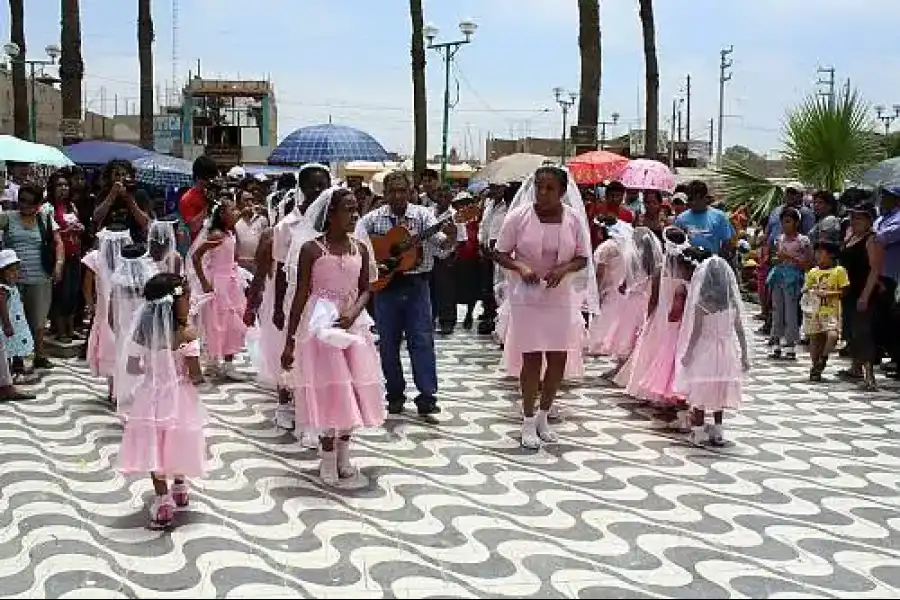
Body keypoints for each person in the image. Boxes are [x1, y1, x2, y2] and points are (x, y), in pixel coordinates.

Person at [281, 187, 384, 484]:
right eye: (347, 210)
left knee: (352, 387)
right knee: (330, 388)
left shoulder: (360, 249)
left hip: (351, 324)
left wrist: (353, 311)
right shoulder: (312, 249)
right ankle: (327, 455)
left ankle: (344, 453)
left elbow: (366, 287)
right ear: (330, 214)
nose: (354, 216)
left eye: (356, 210)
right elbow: (301, 293)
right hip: (320, 326)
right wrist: (290, 339)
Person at [493, 166, 598, 449]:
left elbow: (582, 257)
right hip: (526, 296)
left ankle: (543, 415)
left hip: (559, 295)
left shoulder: (574, 219)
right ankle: (527, 419)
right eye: (539, 187)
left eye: (550, 188)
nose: (543, 193)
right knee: (531, 358)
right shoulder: (519, 217)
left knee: (557, 358)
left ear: (563, 192)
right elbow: (500, 252)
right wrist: (521, 266)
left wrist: (564, 269)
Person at [354, 170, 457, 422]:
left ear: (410, 192)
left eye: (403, 190)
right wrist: (378, 265)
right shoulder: (371, 220)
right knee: (388, 344)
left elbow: (441, 250)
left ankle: (427, 398)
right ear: (385, 193)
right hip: (386, 288)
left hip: (417, 285)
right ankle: (395, 395)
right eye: (393, 191)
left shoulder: (423, 216)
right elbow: (358, 251)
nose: (398, 196)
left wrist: (450, 240)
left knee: (421, 341)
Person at [117, 273, 206, 529]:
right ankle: (180, 486)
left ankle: (163, 500)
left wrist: (154, 369)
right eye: (187, 297)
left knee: (153, 444)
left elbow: (132, 366)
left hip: (151, 396)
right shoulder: (188, 334)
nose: (190, 302)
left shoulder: (143, 332)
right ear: (175, 302)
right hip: (180, 396)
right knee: (178, 438)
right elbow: (196, 374)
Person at [674, 255, 750, 447]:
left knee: (701, 389)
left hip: (706, 352)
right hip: (726, 352)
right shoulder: (731, 304)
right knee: (719, 390)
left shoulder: (702, 305)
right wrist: (744, 354)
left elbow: (696, 333)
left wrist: (689, 354)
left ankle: (699, 431)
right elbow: (740, 330)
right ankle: (717, 430)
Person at [615, 227, 690, 406]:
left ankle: (651, 386)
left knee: (653, 352)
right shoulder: (688, 268)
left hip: (660, 317)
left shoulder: (660, 269)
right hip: (679, 319)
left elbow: (654, 298)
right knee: (673, 355)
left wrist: (649, 318)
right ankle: (672, 389)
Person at [0, 183, 64, 371]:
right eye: (21, 200)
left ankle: (40, 355)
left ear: (38, 204)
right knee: (14, 319)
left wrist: (59, 265)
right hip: (13, 280)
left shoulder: (45, 219)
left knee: (38, 320)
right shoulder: (8, 218)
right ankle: (16, 357)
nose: (23, 205)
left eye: (29, 202)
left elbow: (58, 243)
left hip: (40, 277)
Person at [187, 200, 247, 380]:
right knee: (218, 323)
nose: (237, 212)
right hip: (219, 284)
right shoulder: (216, 235)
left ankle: (228, 362)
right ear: (222, 214)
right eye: (233, 210)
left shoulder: (229, 233)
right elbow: (196, 256)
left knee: (233, 324)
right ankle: (215, 361)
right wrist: (204, 281)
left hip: (231, 282)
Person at [82, 224, 132, 402]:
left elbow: (86, 287)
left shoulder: (97, 258)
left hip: (106, 310)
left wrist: (90, 305)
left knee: (112, 349)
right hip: (119, 310)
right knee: (119, 349)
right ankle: (117, 389)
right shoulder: (129, 259)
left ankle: (115, 389)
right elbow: (87, 286)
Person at [839, 202, 885, 391]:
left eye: (859, 217)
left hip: (864, 290)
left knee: (863, 331)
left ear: (869, 220)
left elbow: (875, 269)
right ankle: (856, 367)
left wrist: (865, 296)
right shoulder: (851, 236)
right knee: (852, 330)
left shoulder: (871, 239)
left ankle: (870, 375)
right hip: (849, 290)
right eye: (853, 217)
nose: (855, 220)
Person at [766, 208, 811, 360]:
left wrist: (789, 257)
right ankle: (776, 340)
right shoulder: (778, 239)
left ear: (796, 223)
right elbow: (773, 257)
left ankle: (791, 343)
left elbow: (807, 263)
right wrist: (776, 260)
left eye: (788, 221)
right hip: (778, 276)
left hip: (793, 278)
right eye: (783, 221)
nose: (785, 225)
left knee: (791, 311)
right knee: (777, 309)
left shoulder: (803, 241)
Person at [45, 170, 85, 344]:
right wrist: (64, 231)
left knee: (73, 292)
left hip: (76, 253)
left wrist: (80, 228)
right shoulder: (48, 208)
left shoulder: (72, 207)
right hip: (58, 256)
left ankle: (71, 328)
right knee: (61, 293)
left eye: (66, 185)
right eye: (59, 185)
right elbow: (46, 234)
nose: (63, 188)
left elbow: (79, 224)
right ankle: (61, 330)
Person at [802, 241, 849, 382]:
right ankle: (815, 366)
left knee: (832, 335)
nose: (817, 256)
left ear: (831, 255)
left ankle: (824, 357)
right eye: (816, 253)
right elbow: (806, 288)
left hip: (831, 311)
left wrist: (829, 293)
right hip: (815, 311)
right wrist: (808, 290)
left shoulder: (839, 271)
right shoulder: (813, 272)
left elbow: (845, 290)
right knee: (815, 339)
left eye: (821, 253)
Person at [0, 249, 36, 400]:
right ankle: (7, 384)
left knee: (8, 354)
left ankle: (8, 381)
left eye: (16, 270)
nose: (15, 274)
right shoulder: (3, 289)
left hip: (15, 325)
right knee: (5, 354)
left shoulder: (11, 287)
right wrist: (7, 324)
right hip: (7, 328)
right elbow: (2, 307)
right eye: (10, 271)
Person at [92, 160, 151, 243]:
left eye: (124, 174)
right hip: (109, 241)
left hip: (133, 241)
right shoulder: (104, 193)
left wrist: (129, 199)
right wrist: (112, 195)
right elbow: (97, 218)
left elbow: (145, 222)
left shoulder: (140, 194)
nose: (120, 178)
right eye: (117, 175)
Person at [674, 180, 735, 255]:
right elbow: (676, 245)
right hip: (689, 264)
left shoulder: (719, 216)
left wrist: (719, 260)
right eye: (690, 199)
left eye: (697, 199)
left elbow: (727, 242)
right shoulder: (681, 219)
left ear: (704, 198)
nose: (693, 202)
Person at [179, 156, 219, 243]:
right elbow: (193, 227)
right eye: (207, 178)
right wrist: (208, 206)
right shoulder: (187, 199)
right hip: (198, 245)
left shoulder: (212, 192)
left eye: (212, 178)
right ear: (198, 178)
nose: (210, 182)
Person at [235, 189, 268, 274]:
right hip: (238, 265)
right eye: (246, 200)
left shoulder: (262, 220)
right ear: (238, 203)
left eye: (252, 200)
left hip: (256, 264)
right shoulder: (234, 220)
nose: (250, 203)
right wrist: (240, 214)